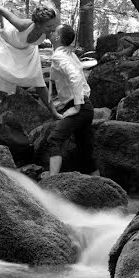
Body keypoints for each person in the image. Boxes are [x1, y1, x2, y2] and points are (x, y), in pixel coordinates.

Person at [0, 5, 59, 105]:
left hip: (26, 49)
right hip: (4, 42)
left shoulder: (49, 31)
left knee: (37, 79)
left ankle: (54, 113)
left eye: (53, 25)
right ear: (39, 24)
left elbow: (58, 44)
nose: (52, 28)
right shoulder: (22, 24)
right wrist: (2, 23)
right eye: (49, 26)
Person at [45, 24, 97, 176]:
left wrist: (77, 106)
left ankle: (52, 181)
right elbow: (82, 81)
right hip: (87, 107)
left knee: (54, 139)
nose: (51, 31)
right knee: (85, 150)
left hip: (80, 106)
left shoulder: (59, 56)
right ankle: (99, 183)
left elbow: (74, 76)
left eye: (54, 30)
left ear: (57, 37)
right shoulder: (69, 55)